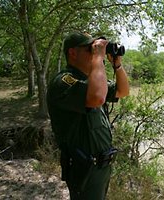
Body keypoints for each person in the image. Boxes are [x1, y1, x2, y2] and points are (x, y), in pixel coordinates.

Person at [47, 31, 129, 200]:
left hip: (102, 165)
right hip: (84, 167)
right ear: (72, 53)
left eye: (95, 49)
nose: (94, 53)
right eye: (90, 49)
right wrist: (98, 58)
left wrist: (117, 65)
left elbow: (122, 91)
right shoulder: (63, 81)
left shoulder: (92, 80)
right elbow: (97, 97)